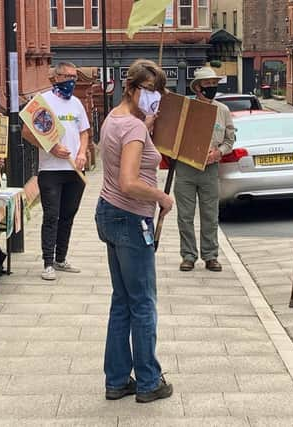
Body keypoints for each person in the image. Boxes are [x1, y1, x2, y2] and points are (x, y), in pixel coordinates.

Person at [95, 59, 174, 403]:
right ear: (132, 89)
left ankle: (116, 379)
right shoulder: (134, 130)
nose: (154, 99)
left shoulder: (115, 119)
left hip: (109, 213)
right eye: (150, 92)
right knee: (142, 302)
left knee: (122, 301)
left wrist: (147, 124)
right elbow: (129, 182)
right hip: (130, 217)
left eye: (158, 94)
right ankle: (148, 381)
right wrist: (161, 197)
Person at [22, 62, 89, 281]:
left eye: (74, 77)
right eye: (67, 76)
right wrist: (50, 147)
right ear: (56, 77)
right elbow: (27, 132)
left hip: (74, 170)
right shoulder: (42, 102)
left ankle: (61, 258)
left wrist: (82, 154)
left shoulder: (77, 104)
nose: (71, 80)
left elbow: (84, 132)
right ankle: (47, 262)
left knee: (68, 215)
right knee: (52, 215)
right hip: (51, 169)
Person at [175, 67, 235, 272]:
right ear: (198, 87)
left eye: (214, 84)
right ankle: (188, 255)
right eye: (208, 84)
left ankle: (210, 255)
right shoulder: (187, 108)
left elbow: (230, 140)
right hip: (186, 168)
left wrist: (218, 153)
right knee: (185, 215)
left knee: (210, 214)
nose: (212, 87)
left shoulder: (223, 110)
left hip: (210, 169)